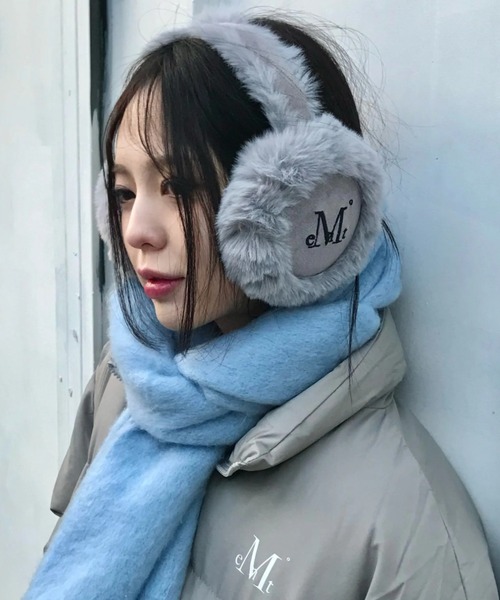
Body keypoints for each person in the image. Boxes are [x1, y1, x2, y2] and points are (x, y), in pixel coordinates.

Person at [26, 6, 498, 600]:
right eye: (123, 192)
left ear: (298, 208)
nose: (135, 230)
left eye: (179, 186)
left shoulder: (401, 527)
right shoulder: (127, 378)